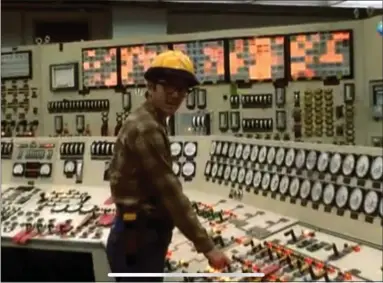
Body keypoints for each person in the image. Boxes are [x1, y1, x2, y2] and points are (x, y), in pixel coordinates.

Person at [106, 50, 230, 282]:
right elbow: (171, 193)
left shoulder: (148, 119)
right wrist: (208, 248)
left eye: (182, 90)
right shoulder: (147, 128)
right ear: (151, 87)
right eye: (168, 87)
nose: (175, 95)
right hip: (140, 238)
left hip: (133, 232)